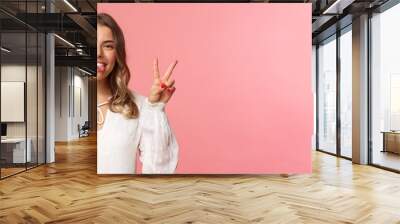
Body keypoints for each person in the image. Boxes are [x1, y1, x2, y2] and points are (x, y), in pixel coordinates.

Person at [96, 13, 179, 174]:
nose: (98, 53)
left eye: (108, 46)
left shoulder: (138, 105)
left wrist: (155, 108)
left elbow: (159, 171)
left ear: (117, 54)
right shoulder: (61, 101)